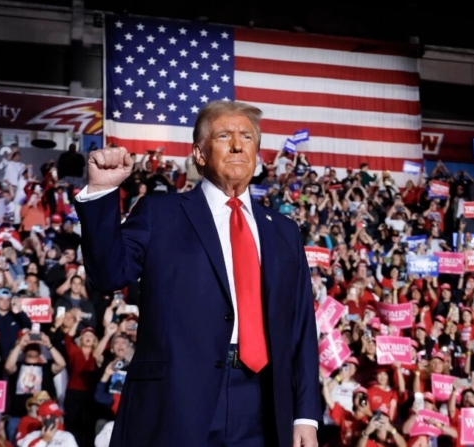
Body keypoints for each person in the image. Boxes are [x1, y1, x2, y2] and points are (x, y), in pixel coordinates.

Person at [75, 101, 320, 447]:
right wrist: (101, 191)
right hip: (176, 401)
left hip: (264, 402)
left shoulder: (283, 231)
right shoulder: (161, 213)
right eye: (224, 135)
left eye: (247, 137)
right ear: (200, 154)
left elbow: (301, 329)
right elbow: (108, 274)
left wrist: (306, 414)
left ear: (257, 153)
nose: (237, 144)